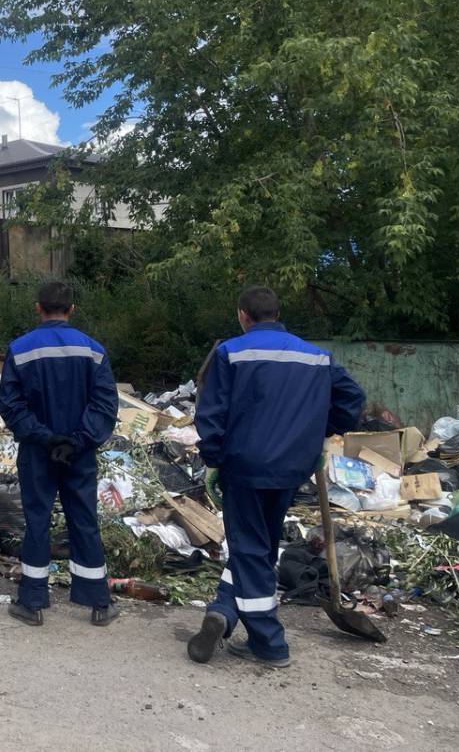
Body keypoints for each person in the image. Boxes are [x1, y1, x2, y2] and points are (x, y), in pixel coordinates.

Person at [187, 285, 364, 668]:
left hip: (245, 467)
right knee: (260, 547)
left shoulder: (231, 352)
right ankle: (223, 611)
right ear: (277, 314)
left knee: (249, 548)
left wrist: (213, 459)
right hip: (291, 469)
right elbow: (352, 398)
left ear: (242, 315)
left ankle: (269, 643)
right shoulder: (316, 356)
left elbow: (211, 414)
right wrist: (320, 431)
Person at [0, 281, 119, 627]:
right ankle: (99, 603)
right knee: (84, 520)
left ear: (38, 307)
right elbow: (105, 404)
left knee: (37, 521)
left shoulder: (20, 349)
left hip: (38, 453)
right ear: (71, 309)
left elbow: (11, 405)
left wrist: (46, 438)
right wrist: (77, 441)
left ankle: (32, 602)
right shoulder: (93, 350)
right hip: (78, 454)